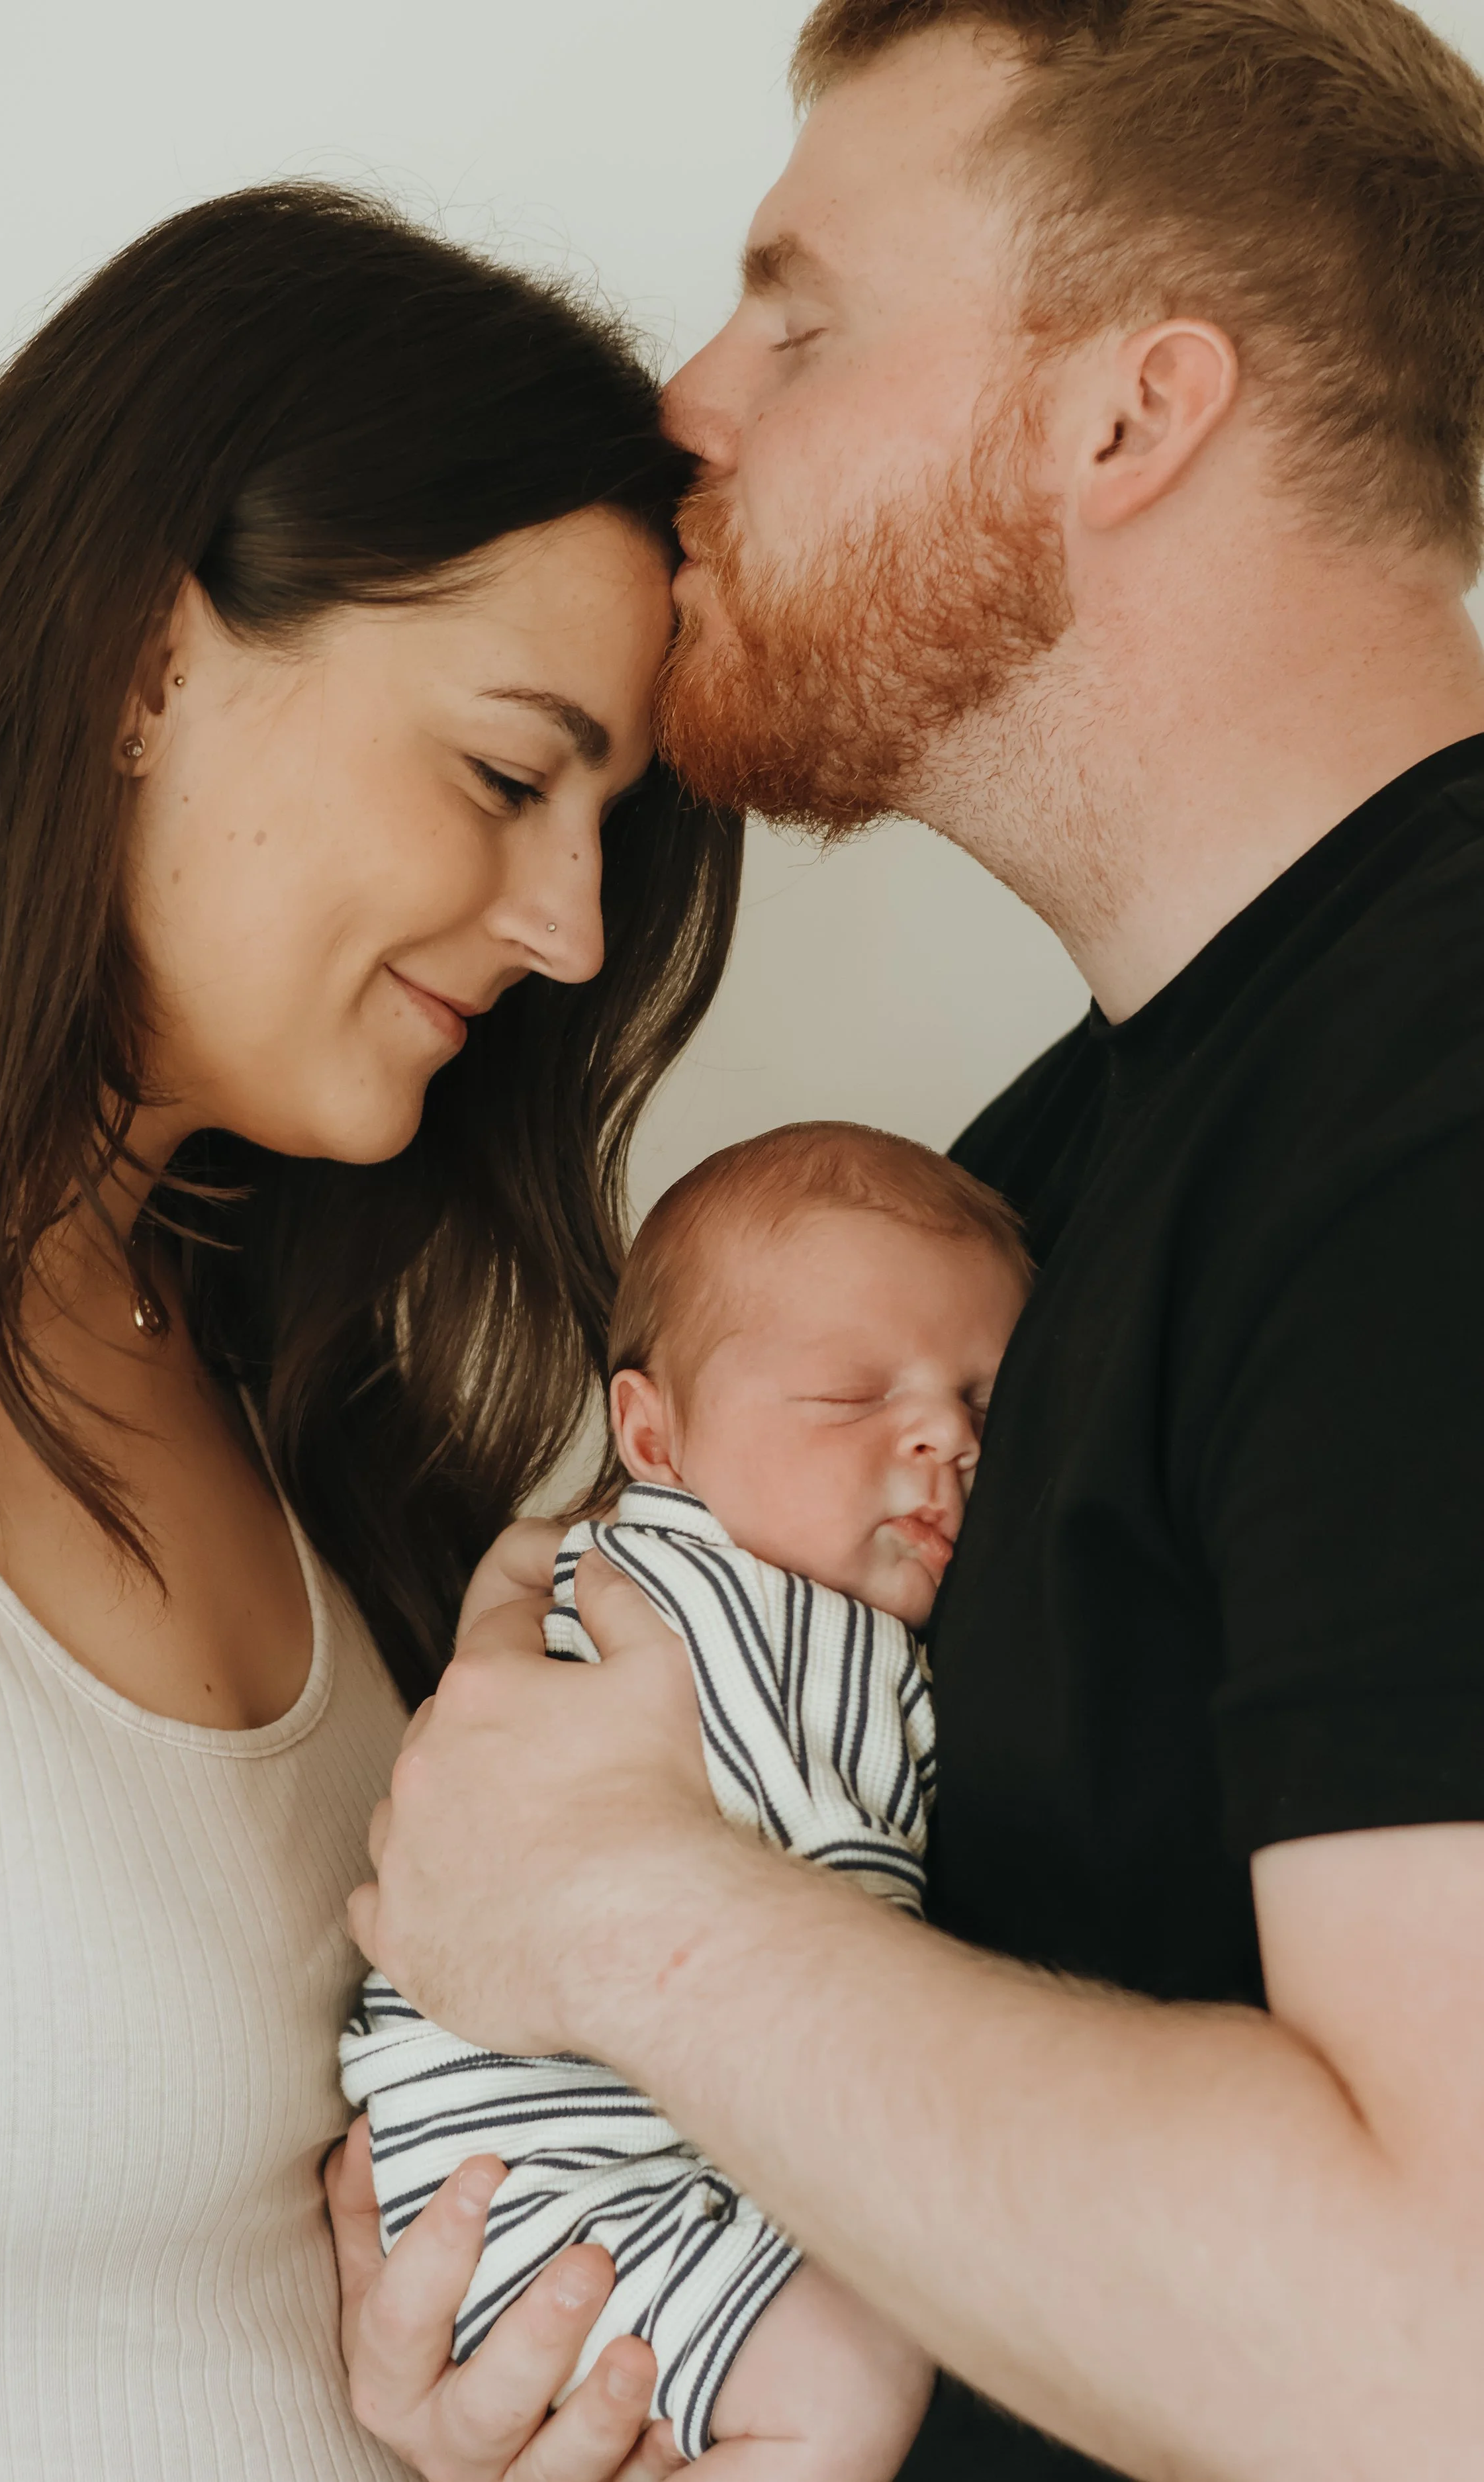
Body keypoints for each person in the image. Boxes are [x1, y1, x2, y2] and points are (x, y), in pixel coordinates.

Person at [338, 1, 1484, 2476]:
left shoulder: (1442, 1102)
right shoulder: (1024, 1187)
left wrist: (613, 1911)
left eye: (799, 314)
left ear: (1127, 418)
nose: (689, 399)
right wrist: (610, 2342)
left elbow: (1441, 2350)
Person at [0, 183, 740, 2482]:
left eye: (605, 823)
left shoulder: (285, 1391)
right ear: (148, 665)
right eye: (508, 774)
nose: (569, 927)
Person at [340, 1125, 1029, 2475]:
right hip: (564, 2188)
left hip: (502, 2177)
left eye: (984, 1408)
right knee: (854, 2374)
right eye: (852, 1396)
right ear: (651, 1431)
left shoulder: (611, 1573)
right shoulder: (758, 1616)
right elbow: (846, 1959)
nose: (947, 1438)